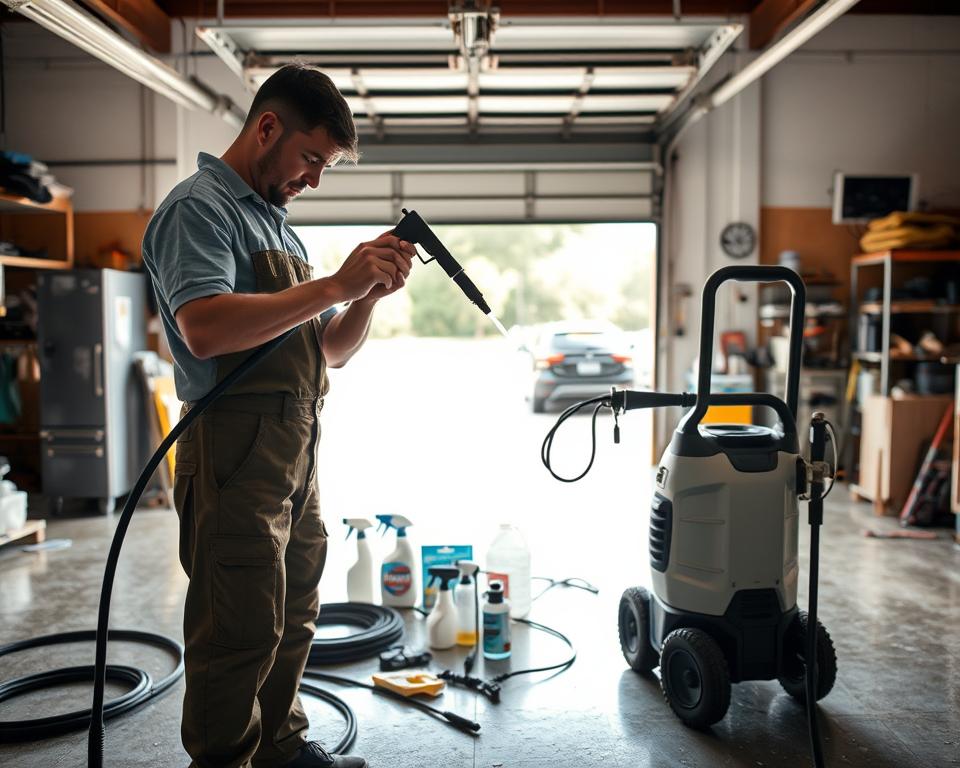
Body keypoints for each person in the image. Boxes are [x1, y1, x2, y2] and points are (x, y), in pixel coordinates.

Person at [142, 64, 414, 768]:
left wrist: (365, 298)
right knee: (238, 629)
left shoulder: (278, 229)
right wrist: (333, 281)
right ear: (268, 128)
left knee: (292, 618)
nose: (313, 179)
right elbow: (203, 326)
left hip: (294, 448)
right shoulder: (198, 209)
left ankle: (283, 751)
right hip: (232, 446)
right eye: (311, 159)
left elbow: (328, 350)